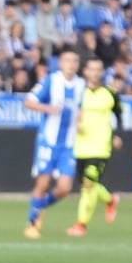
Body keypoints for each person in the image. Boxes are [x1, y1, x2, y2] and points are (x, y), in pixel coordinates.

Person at [22, 49, 84, 239]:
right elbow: (28, 102)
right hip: (48, 141)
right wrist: (47, 108)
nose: (71, 64)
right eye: (67, 60)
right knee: (43, 183)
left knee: (65, 188)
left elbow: (82, 110)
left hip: (68, 144)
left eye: (75, 60)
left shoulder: (81, 85)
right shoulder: (52, 80)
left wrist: (81, 121)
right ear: (60, 63)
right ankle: (32, 224)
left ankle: (38, 207)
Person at [66, 58, 123, 236]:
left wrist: (118, 135)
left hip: (101, 147)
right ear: (85, 72)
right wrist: (76, 124)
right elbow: (69, 113)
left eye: (99, 69)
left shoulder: (110, 93)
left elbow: (120, 116)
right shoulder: (78, 92)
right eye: (92, 69)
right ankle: (110, 199)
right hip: (80, 146)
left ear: (102, 72)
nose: (95, 72)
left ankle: (81, 224)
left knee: (88, 184)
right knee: (86, 184)